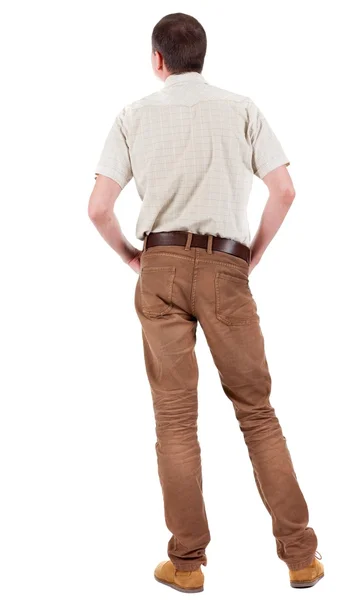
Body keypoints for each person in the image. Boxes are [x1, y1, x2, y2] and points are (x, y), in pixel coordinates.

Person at [88, 11, 324, 592]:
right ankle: (300, 558)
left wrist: (129, 256)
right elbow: (285, 190)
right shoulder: (242, 108)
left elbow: (97, 208)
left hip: (159, 265)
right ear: (202, 57)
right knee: (258, 414)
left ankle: (187, 565)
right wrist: (252, 253)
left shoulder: (131, 116)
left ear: (158, 60)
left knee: (175, 422)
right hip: (226, 267)